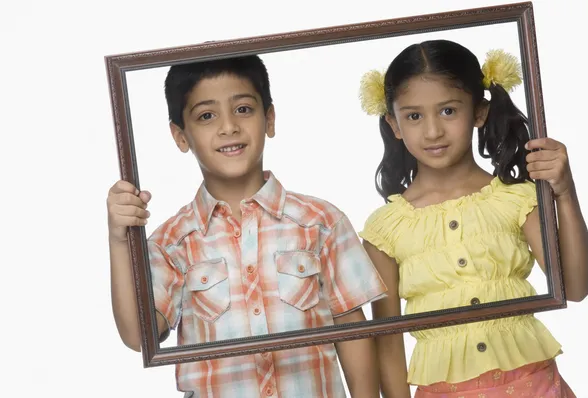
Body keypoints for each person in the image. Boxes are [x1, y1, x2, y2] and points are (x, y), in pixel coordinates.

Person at [106, 55, 388, 398]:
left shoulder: (321, 223)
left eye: (243, 109)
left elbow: (352, 329)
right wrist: (120, 240)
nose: (229, 127)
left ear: (269, 118)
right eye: (207, 116)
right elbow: (138, 336)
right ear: (180, 136)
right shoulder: (172, 243)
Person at [357, 39, 588, 397]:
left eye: (448, 111)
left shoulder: (514, 200)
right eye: (414, 116)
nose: (433, 131)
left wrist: (565, 193)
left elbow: (575, 288)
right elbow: (388, 342)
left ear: (479, 112)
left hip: (534, 387)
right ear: (394, 124)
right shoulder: (386, 229)